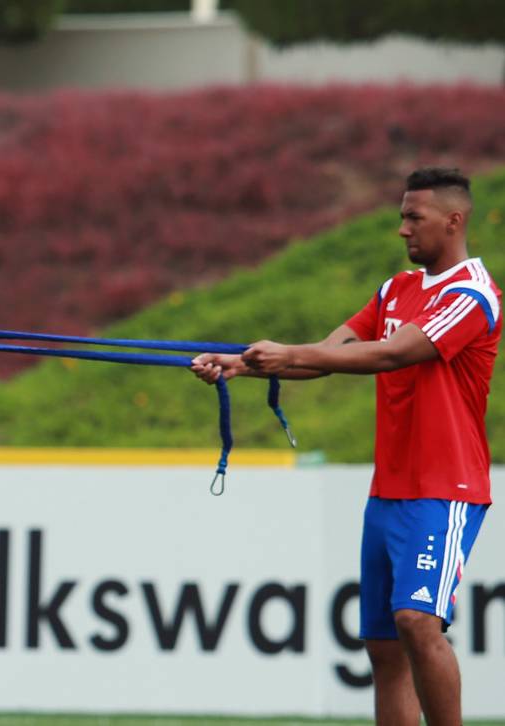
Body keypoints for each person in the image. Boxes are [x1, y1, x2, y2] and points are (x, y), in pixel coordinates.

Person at [193, 167, 495, 725]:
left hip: (444, 489)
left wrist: (287, 355)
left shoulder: (473, 296)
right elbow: (330, 351)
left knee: (416, 622)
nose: (402, 230)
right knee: (383, 647)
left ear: (453, 221)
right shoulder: (395, 289)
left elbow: (390, 354)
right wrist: (239, 365)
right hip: (388, 491)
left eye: (414, 218)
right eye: (402, 216)